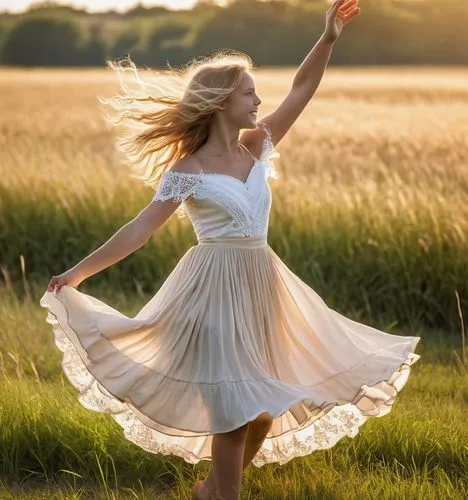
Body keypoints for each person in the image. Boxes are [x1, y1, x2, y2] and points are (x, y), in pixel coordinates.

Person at [40, 1, 420, 499]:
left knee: (267, 399)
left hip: (263, 283)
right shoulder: (187, 171)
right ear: (221, 101)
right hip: (212, 288)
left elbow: (302, 90)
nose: (259, 101)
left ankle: (212, 491)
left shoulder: (257, 145)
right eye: (249, 92)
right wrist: (77, 274)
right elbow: (140, 229)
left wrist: (327, 37)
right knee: (235, 404)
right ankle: (226, 496)